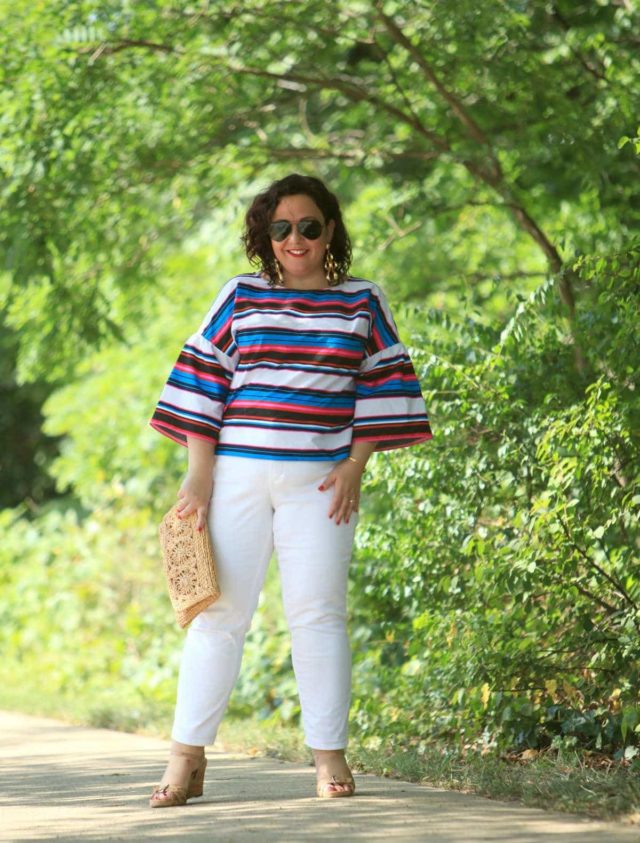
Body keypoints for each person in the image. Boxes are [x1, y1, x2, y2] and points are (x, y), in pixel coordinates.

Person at [147, 173, 432, 807]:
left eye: (308, 226)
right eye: (281, 228)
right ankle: (183, 759)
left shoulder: (361, 302)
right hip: (237, 479)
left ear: (330, 229)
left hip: (322, 484)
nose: (295, 239)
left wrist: (358, 464)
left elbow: (383, 385)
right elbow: (202, 381)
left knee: (320, 617)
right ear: (265, 236)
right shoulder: (240, 295)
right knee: (218, 617)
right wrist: (199, 478)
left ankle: (329, 758)